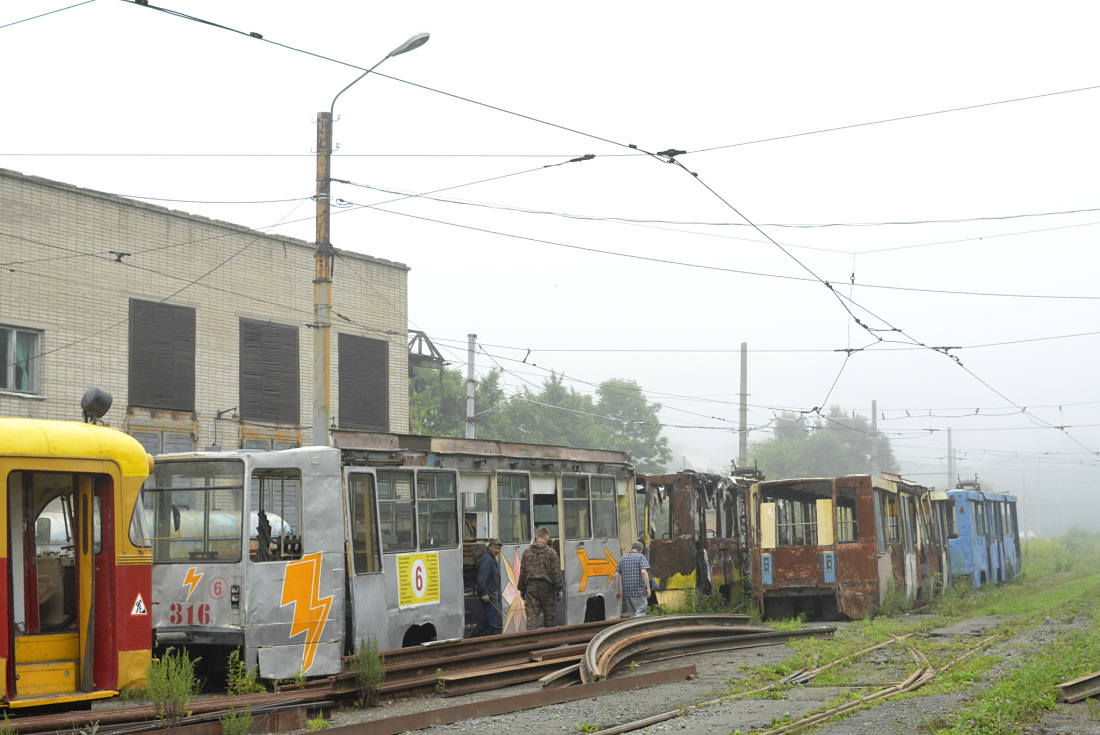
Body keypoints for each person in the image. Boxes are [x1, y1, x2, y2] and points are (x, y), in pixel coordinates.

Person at [517, 526, 563, 629]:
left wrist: (521, 589)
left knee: (532, 619)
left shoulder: (527, 552)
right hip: (547, 588)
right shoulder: (552, 553)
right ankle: (550, 643)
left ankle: (532, 642)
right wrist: (559, 588)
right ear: (547, 537)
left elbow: (523, 573)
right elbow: (556, 573)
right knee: (550, 618)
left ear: (537, 536)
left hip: (531, 587)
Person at [473, 538, 504, 636]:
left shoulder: (491, 558)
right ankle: (499, 644)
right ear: (490, 547)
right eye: (495, 548)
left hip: (492, 594)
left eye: (499, 549)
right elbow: (481, 579)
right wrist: (485, 593)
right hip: (490, 595)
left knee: (486, 619)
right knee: (496, 622)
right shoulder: (487, 560)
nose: (497, 551)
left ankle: (474, 637)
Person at [614, 541, 651, 618]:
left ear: (631, 548)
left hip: (627, 591)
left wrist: (618, 591)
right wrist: (648, 588)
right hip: (638, 590)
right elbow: (643, 572)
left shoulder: (622, 558)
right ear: (641, 550)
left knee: (632, 613)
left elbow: (616, 574)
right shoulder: (641, 557)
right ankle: (638, 627)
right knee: (641, 610)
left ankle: (633, 628)